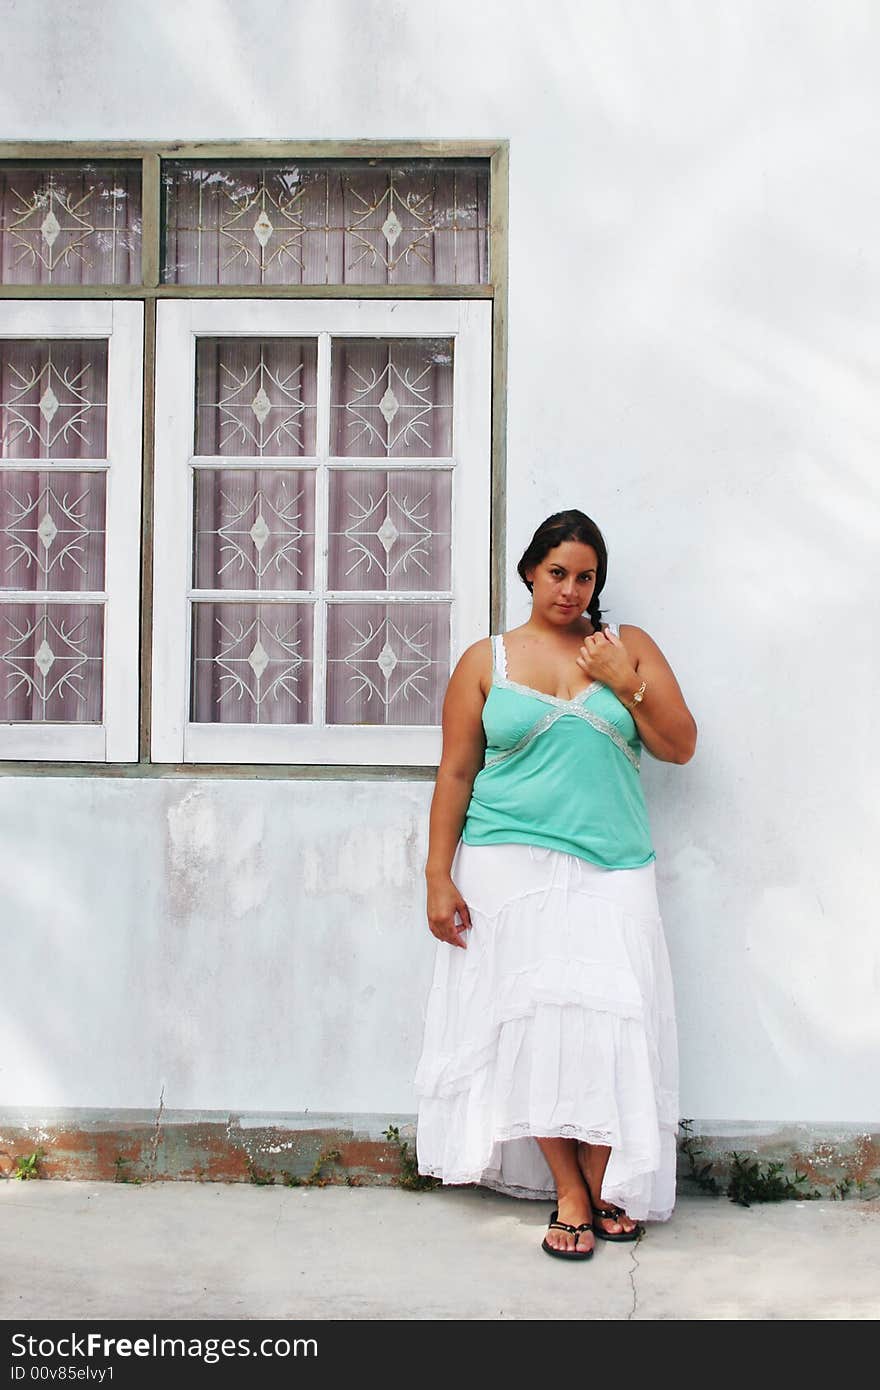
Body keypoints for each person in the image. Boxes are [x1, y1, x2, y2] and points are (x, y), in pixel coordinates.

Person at [413, 509, 697, 1261]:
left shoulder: (625, 649)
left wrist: (624, 683)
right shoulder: (487, 660)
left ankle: (602, 1183)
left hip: (613, 862)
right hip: (506, 862)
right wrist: (439, 876)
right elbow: (456, 773)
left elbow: (680, 746)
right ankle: (571, 1193)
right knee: (533, 1027)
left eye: (586, 577)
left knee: (610, 1026)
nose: (571, 589)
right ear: (530, 573)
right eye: (558, 573)